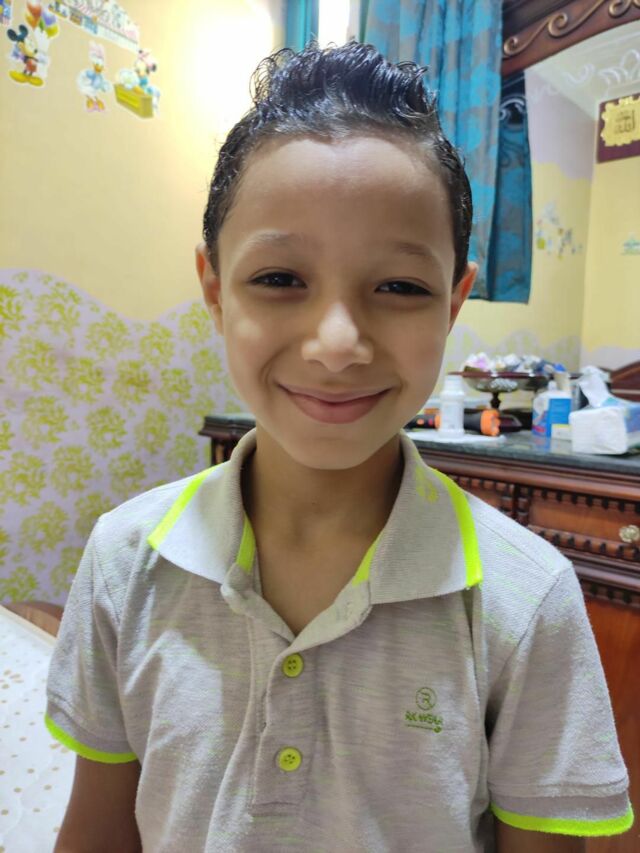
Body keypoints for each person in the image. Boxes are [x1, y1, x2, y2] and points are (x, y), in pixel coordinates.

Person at [47, 41, 632, 852]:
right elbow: (97, 829)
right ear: (215, 288)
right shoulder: (123, 560)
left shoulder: (526, 601)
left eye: (400, 286)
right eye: (279, 278)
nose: (335, 345)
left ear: (453, 301)